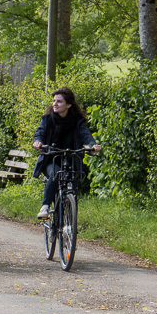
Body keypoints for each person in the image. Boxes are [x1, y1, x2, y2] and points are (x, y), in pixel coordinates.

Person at [31, 87, 101, 219]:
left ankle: (69, 217)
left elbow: (85, 134)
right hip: (50, 158)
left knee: (72, 185)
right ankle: (45, 206)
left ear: (68, 105)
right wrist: (38, 142)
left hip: (71, 158)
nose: (55, 104)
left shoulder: (77, 121)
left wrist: (92, 145)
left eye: (59, 101)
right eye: (54, 101)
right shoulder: (48, 118)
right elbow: (40, 132)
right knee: (56, 173)